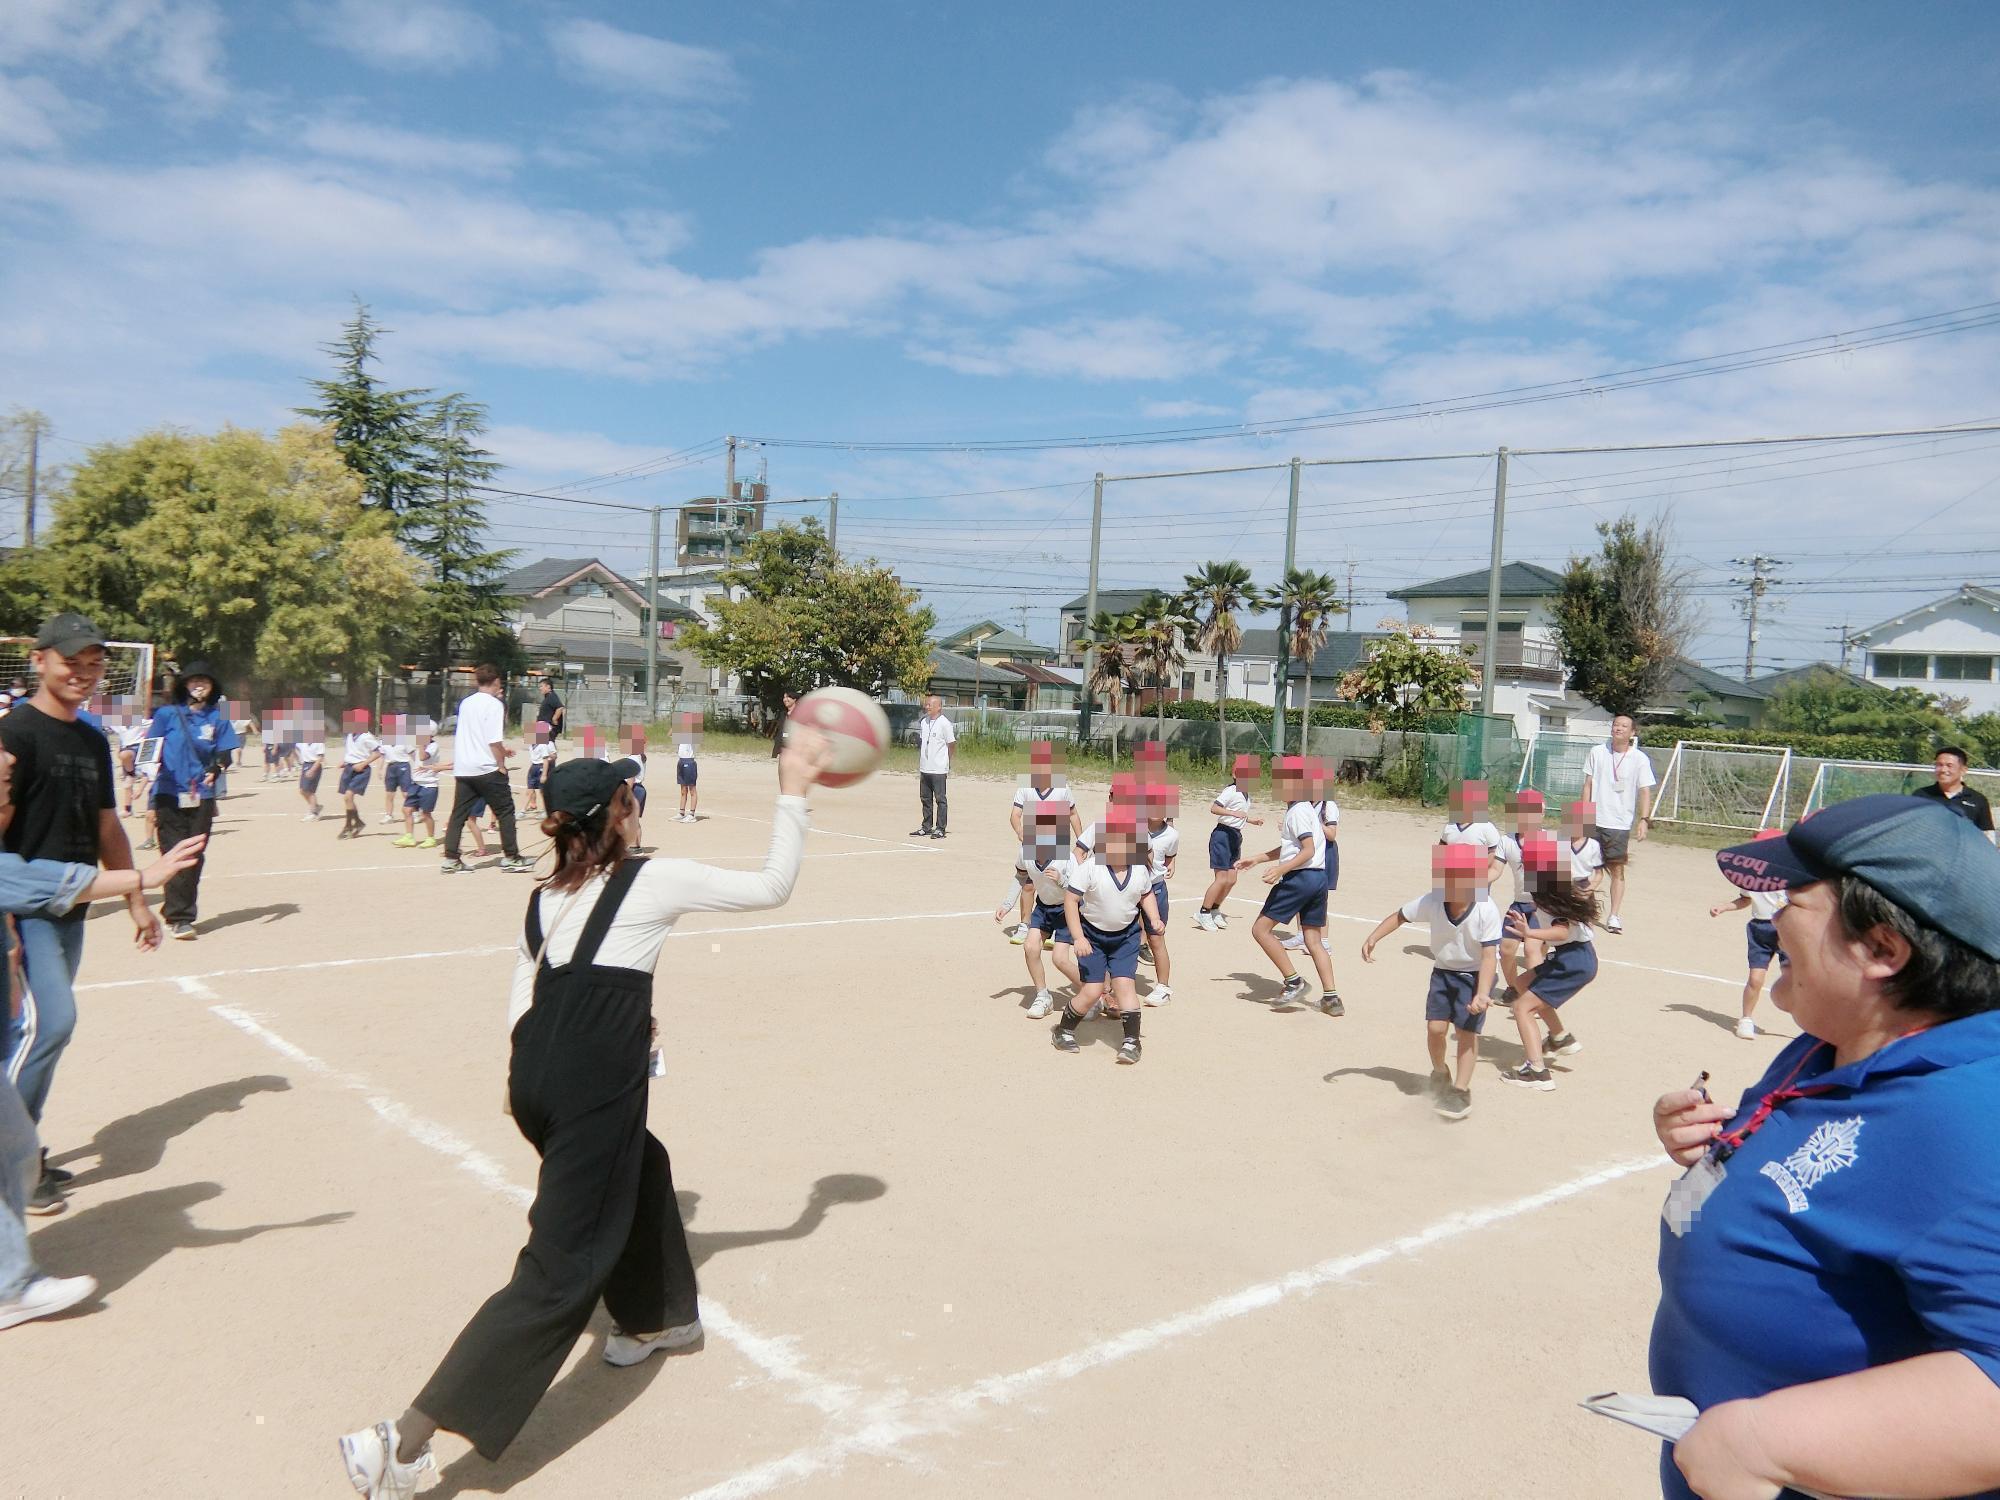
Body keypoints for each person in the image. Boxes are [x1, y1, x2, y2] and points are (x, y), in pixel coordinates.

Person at [337, 732, 830, 1496]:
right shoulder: (651, 878)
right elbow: (772, 886)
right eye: (633, 796)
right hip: (588, 1081)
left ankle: (658, 1315)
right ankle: (400, 1440)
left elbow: (522, 995)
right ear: (620, 813)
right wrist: (793, 787)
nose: (639, 805)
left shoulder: (542, 898)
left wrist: (584, 1041)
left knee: (643, 1163)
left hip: (535, 1075)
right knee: (557, 1272)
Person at [1649, 794, 2000, 1500]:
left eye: (1794, 903)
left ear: (1882, 949)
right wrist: (1714, 1145)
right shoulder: (1831, 1046)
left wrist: (1766, 1444)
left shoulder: (1967, 1117)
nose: (1772, 918)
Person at [0, 614, 158, 1216]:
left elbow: (105, 825)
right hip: (25, 907)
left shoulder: (92, 739)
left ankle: (23, 1151)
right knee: (50, 1024)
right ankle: (13, 1159)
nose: (84, 674)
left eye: (94, 664)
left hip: (72, 907)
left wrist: (136, 901)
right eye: (72, 661)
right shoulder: (14, 733)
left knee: (39, 1031)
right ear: (39, 660)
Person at [1360, 843, 1503, 1121]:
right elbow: (1401, 915)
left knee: (1466, 1033)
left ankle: (1460, 1091)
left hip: (1474, 976)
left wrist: (1482, 993)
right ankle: (1440, 1071)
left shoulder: (1486, 909)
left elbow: (1489, 957)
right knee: (1435, 1029)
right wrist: (1374, 936)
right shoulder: (1434, 900)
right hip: (1443, 972)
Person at [1235, 757, 1341, 1015]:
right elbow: (1292, 847)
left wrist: (1281, 869)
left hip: (1300, 879)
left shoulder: (1297, 812)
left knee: (1260, 930)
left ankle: (1294, 981)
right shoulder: (1306, 810)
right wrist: (1258, 858)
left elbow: (1307, 850)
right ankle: (1331, 998)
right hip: (1318, 879)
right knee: (1313, 939)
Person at [1053, 810, 1160, 1064]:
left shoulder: (1139, 871)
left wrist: (1153, 918)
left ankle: (1132, 1041)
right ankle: (1063, 1030)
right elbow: (1071, 900)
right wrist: (1078, 937)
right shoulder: (1091, 868)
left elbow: (1146, 894)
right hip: (1092, 936)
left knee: (1125, 986)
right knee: (1092, 990)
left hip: (1126, 937)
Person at [143, 660, 239, 940]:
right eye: (194, 681)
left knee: (194, 854)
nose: (199, 686)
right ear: (185, 684)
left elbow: (225, 753)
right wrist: (144, 773)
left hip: (201, 794)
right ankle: (179, 917)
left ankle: (181, 911)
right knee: (174, 853)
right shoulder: (167, 714)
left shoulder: (218, 717)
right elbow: (150, 746)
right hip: (168, 792)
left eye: (205, 682)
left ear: (212, 688)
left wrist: (216, 768)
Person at [1497, 840, 1598, 1092]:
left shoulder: (1551, 895)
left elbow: (1561, 932)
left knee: (1522, 1009)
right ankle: (1560, 1037)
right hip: (1573, 957)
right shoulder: (1549, 889)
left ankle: (1537, 1072)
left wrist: (1530, 931)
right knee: (1521, 983)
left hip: (1573, 961)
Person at [994, 801, 1083, 1019]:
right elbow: (1020, 876)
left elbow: (1081, 889)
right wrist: (1007, 904)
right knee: (1030, 947)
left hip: (1067, 910)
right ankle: (1043, 996)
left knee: (1060, 960)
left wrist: (1062, 881)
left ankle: (1092, 993)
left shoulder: (1065, 858)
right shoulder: (1025, 852)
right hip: (1044, 908)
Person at [441, 665, 532, 875]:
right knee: (506, 811)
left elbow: (477, 735)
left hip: (465, 767)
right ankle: (512, 857)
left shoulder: (466, 702)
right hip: (486, 768)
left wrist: (501, 749)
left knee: (458, 814)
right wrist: (501, 764)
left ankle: (451, 859)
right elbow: (493, 740)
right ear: (496, 682)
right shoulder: (494, 704)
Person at [1708, 828, 1788, 1040]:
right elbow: (1745, 899)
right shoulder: (1750, 876)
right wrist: (1724, 907)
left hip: (1787, 930)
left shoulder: (1790, 875)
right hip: (1760, 929)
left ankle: (1815, 1026)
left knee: (1796, 978)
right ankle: (1746, 1019)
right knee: (1755, 979)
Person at [1580, 714, 1656, 934]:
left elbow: (1644, 790)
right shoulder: (1597, 752)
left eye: (1624, 726)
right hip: (1594, 818)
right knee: (1587, 868)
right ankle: (1585, 912)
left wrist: (1644, 819)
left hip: (1619, 823)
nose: (1618, 728)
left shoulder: (1639, 759)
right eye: (1615, 725)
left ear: (1633, 733)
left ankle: (1613, 915)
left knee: (1617, 870)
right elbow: (1587, 785)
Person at [1006, 743, 1081, 940]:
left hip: (1057, 840)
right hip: (1034, 840)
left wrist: (1081, 843)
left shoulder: (1062, 788)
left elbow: (1072, 814)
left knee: (1058, 881)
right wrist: (1021, 831)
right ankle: (1024, 923)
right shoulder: (1025, 787)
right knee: (1029, 883)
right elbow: (1015, 815)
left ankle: (1060, 924)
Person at [1195, 754, 1263, 931]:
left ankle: (1215, 909)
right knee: (1221, 878)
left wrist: (1250, 820)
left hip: (1235, 836)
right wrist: (1233, 814)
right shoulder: (1231, 791)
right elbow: (1214, 808)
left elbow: (1240, 813)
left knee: (1232, 879)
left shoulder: (1246, 795)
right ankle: (1203, 912)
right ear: (1235, 775)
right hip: (1222, 836)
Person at [1140, 786, 1178, 1007]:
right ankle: (1108, 988)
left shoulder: (1172, 835)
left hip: (1155, 889)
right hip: (1130, 889)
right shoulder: (1133, 827)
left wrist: (1171, 864)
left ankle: (1163, 987)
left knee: (1156, 938)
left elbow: (1170, 854)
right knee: (1120, 936)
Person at [1913, 745, 1995, 840]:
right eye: (1939, 765)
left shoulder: (1978, 800)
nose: (1943, 770)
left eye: (1949, 765)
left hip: (1964, 853)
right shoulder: (1921, 795)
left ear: (1963, 770)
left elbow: (1987, 835)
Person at [392, 723, 443, 850]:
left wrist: (421, 744)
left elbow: (422, 757)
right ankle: (409, 837)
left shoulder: (433, 746)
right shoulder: (419, 743)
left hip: (429, 785)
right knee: (406, 810)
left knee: (426, 813)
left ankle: (430, 838)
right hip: (416, 783)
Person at [911, 694, 955, 840]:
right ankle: (926, 827)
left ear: (939, 707)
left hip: (939, 768)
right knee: (925, 798)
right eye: (926, 704)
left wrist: (947, 761)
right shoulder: (924, 722)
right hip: (925, 767)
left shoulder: (945, 723)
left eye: (930, 704)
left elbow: (951, 744)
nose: (927, 707)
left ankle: (940, 828)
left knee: (940, 799)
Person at [336, 710, 382, 841]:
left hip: (361, 770)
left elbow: (377, 753)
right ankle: (358, 823)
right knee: (348, 799)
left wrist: (363, 763)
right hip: (350, 768)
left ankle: (348, 827)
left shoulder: (367, 736)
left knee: (348, 796)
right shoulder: (350, 735)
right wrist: (345, 762)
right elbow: (352, 751)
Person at [523, 723, 556, 816]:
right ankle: (532, 804)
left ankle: (546, 809)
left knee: (542, 790)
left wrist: (544, 773)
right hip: (534, 766)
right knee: (530, 787)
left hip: (544, 767)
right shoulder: (531, 744)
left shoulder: (548, 743)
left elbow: (553, 757)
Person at [297, 736, 326, 822]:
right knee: (302, 790)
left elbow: (320, 757)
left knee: (309, 790)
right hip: (305, 765)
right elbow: (295, 747)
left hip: (314, 766)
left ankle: (314, 814)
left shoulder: (318, 742)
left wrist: (312, 770)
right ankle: (316, 806)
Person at [675, 740, 699, 823]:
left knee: (692, 789)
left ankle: (692, 814)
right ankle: (681, 813)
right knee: (683, 790)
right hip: (681, 761)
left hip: (689, 761)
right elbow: (670, 733)